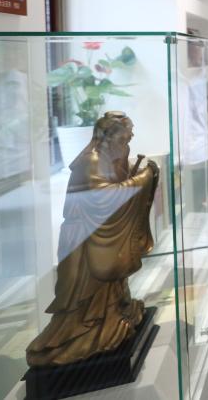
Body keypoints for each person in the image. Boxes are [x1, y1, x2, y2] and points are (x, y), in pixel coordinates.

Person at [26, 112, 159, 366]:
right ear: (107, 137)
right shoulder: (91, 161)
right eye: (123, 138)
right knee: (84, 298)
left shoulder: (111, 157)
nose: (126, 144)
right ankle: (79, 336)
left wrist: (131, 176)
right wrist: (143, 179)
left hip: (102, 240)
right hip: (84, 242)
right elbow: (106, 199)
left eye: (129, 139)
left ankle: (112, 319)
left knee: (111, 287)